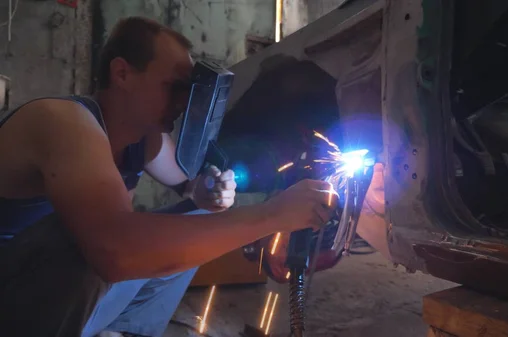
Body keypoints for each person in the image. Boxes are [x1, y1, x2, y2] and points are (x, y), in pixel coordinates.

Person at [0, 16, 338, 337]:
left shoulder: (145, 139)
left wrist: (211, 192)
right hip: (15, 306)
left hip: (64, 302)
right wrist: (271, 216)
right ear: (122, 74)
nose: (182, 102)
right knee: (87, 239)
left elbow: (192, 189)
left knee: (196, 217)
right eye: (174, 86)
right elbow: (114, 250)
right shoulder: (63, 122)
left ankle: (123, 330)